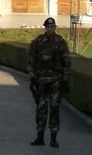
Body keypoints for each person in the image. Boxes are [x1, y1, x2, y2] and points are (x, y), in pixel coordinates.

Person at [28, 17, 72, 148]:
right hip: (41, 80)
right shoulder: (38, 42)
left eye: (52, 27)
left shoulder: (60, 42)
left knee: (54, 108)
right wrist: (32, 77)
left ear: (55, 28)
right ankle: (40, 136)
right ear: (45, 28)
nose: (50, 29)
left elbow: (67, 62)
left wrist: (66, 80)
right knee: (41, 108)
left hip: (56, 81)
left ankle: (53, 138)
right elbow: (31, 60)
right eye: (48, 27)